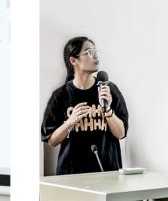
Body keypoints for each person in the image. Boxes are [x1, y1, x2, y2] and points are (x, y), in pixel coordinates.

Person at [40, 36, 128, 175]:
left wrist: (108, 109)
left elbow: (121, 133)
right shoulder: (60, 95)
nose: (95, 56)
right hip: (71, 174)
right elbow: (51, 141)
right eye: (89, 52)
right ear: (73, 60)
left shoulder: (109, 89)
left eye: (95, 52)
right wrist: (70, 122)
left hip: (106, 172)